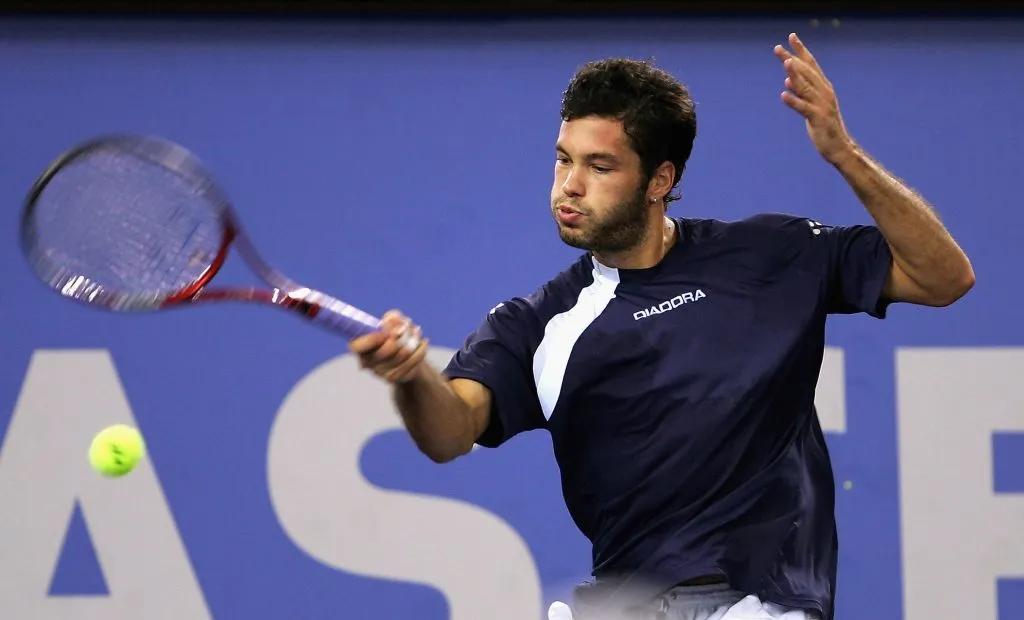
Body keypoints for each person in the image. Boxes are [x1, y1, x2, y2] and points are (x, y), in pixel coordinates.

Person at [349, 32, 974, 620]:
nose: (569, 186)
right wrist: (411, 378)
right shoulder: (538, 323)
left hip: (762, 599)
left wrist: (845, 154)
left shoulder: (771, 255)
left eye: (599, 166)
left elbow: (944, 278)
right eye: (563, 159)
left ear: (661, 181)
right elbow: (450, 432)